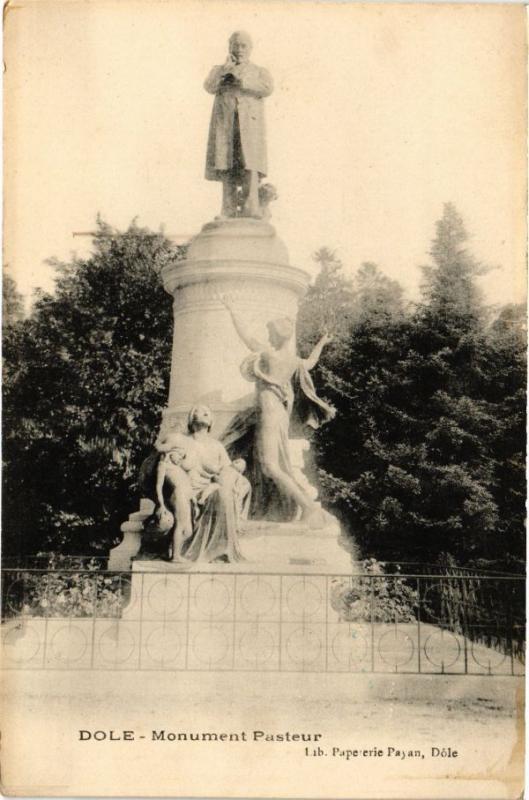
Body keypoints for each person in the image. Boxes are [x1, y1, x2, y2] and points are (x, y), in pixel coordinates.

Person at [220, 298, 335, 529]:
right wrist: (322, 342)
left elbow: (246, 337)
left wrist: (232, 309)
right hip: (278, 413)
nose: (269, 337)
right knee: (273, 464)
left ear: (277, 335)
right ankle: (297, 507)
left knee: (271, 465)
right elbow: (311, 363)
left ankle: (309, 508)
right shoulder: (293, 360)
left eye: (270, 332)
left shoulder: (268, 354)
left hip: (268, 412)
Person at [204, 31, 273, 218]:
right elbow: (209, 86)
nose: (239, 49)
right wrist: (226, 70)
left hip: (249, 127)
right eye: (236, 45)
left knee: (249, 164)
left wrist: (242, 80)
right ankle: (228, 209)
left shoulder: (259, 71)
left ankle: (252, 208)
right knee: (226, 165)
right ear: (230, 47)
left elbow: (268, 88)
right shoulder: (219, 69)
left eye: (243, 45)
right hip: (226, 125)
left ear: (250, 48)